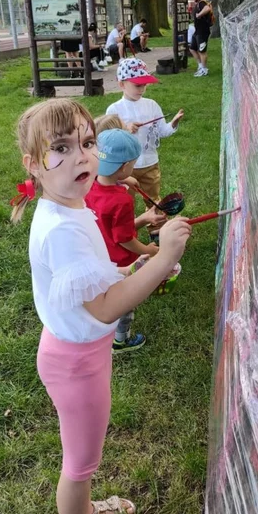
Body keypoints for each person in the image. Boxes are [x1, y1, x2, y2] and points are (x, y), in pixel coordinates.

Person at [11, 98, 191, 514]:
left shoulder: (71, 204)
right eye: (62, 148)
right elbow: (107, 307)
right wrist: (163, 255)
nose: (81, 156)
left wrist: (136, 270)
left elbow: (96, 281)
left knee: (83, 454)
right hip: (76, 364)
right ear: (33, 164)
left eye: (87, 142)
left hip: (79, 354)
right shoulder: (63, 228)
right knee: (79, 464)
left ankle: (86, 511)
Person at [86, 129, 167, 354]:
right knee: (124, 302)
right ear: (123, 167)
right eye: (132, 164)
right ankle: (120, 340)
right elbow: (124, 240)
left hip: (99, 256)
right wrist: (148, 250)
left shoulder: (90, 185)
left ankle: (99, 328)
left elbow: (111, 228)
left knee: (104, 297)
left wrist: (143, 219)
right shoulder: (121, 200)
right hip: (120, 262)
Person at [106, 58, 184, 205]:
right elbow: (108, 140)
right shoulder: (114, 110)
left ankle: (155, 225)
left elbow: (161, 131)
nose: (141, 89)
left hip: (150, 163)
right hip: (124, 167)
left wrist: (172, 124)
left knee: (153, 198)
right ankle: (128, 225)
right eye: (137, 85)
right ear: (122, 84)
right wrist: (125, 129)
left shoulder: (152, 105)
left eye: (144, 85)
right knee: (125, 200)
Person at [188, 0, 212, 77]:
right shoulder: (197, 4)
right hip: (197, 31)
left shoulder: (202, 2)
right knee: (192, 48)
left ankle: (204, 69)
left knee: (202, 51)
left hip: (203, 31)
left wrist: (199, 15)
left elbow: (207, 8)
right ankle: (200, 66)